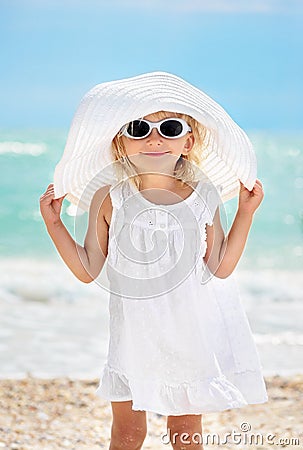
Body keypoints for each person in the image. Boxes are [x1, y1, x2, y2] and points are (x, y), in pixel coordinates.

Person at [40, 72, 268, 450]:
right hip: (133, 335)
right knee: (128, 434)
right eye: (139, 128)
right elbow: (87, 269)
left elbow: (221, 266)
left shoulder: (202, 194)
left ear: (188, 141)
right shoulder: (110, 196)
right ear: (120, 141)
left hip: (189, 334)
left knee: (186, 436)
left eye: (170, 127)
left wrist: (246, 213)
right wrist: (54, 224)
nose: (155, 137)